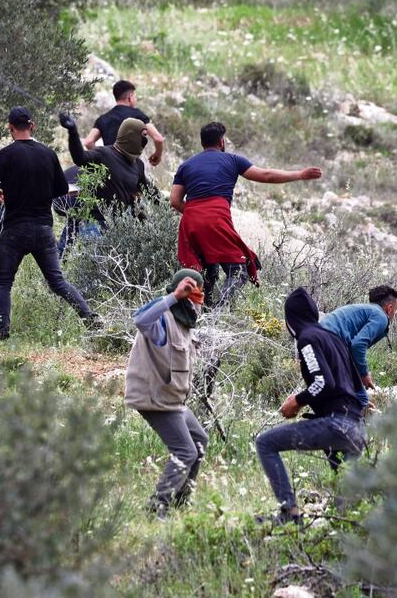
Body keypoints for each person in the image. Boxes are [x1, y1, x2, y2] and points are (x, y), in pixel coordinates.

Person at [171, 122, 322, 308]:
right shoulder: (233, 160)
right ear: (222, 142)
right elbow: (266, 175)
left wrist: (196, 214)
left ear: (202, 143)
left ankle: (201, 311)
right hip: (216, 218)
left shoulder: (185, 165)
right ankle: (218, 311)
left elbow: (175, 200)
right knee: (238, 271)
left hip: (190, 222)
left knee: (204, 271)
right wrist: (299, 174)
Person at [0, 106, 93, 339]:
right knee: (58, 282)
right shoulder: (48, 154)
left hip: (14, 230)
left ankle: (2, 332)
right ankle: (91, 319)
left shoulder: (6, 155)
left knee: (3, 284)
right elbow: (61, 188)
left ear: (10, 128)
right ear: (32, 126)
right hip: (43, 230)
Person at [255, 287, 366, 525]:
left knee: (265, 443)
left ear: (290, 320)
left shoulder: (306, 339)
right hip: (357, 428)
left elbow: (323, 382)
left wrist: (297, 401)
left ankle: (290, 513)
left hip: (337, 425)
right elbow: (358, 389)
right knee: (346, 512)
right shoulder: (335, 339)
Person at [125, 269, 209, 519]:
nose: (198, 302)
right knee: (186, 451)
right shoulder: (163, 320)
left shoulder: (186, 325)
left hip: (173, 401)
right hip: (155, 399)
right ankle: (157, 508)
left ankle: (182, 502)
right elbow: (140, 320)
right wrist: (175, 296)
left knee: (199, 441)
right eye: (193, 295)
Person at [59, 112, 156, 227]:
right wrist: (73, 132)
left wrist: (168, 208)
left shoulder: (138, 165)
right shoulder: (104, 154)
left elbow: (150, 191)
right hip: (92, 219)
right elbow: (80, 158)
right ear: (131, 135)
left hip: (113, 223)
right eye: (144, 135)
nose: (145, 140)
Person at [319, 285, 397, 412]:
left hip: (319, 341)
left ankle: (356, 410)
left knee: (353, 396)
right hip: (331, 343)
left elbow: (352, 351)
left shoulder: (366, 310)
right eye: (396, 309)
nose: (396, 313)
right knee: (359, 396)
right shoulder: (381, 316)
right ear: (389, 308)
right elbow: (358, 345)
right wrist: (364, 374)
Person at [82, 80, 165, 165]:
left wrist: (104, 159)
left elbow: (88, 142)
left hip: (111, 166)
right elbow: (158, 139)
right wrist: (157, 155)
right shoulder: (137, 114)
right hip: (131, 167)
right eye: (135, 96)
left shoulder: (103, 118)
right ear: (130, 96)